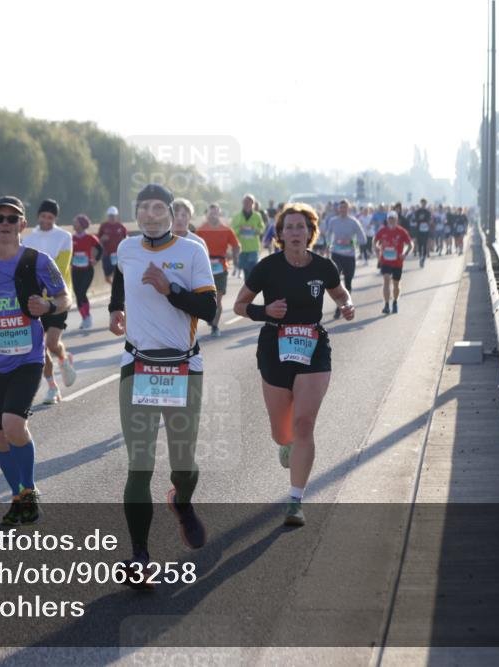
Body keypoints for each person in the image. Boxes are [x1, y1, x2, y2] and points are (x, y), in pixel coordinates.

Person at [109, 184, 216, 588]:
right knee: (140, 464)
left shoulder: (192, 251)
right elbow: (123, 278)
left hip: (183, 367)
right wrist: (115, 308)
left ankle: (181, 500)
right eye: (143, 208)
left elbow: (209, 310)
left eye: (158, 208)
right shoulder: (127, 248)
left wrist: (169, 289)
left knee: (183, 464)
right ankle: (139, 556)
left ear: (172, 213)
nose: (151, 214)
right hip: (137, 364)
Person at [232, 203, 354, 526]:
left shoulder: (323, 267)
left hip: (313, 347)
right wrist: (264, 311)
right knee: (281, 432)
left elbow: (341, 294)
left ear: (311, 232)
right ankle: (286, 446)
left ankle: (295, 501)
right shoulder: (267, 267)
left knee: (303, 425)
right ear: (280, 235)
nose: (295, 233)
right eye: (289, 228)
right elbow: (239, 305)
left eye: (301, 227)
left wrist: (348, 304)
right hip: (274, 347)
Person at [0, 195, 69, 525]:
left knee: (13, 424)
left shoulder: (39, 260)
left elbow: (64, 299)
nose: (5, 224)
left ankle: (30, 490)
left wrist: (48, 308)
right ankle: (16, 496)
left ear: (23, 224)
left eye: (12, 219)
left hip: (28, 359)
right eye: (0, 218)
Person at [22, 199, 77, 404]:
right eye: (43, 216)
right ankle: (52, 387)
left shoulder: (64, 237)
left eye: (50, 217)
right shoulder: (28, 238)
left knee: (53, 343)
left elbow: (61, 268)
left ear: (55, 218)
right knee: (40, 346)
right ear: (38, 216)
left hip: (59, 298)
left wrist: (48, 290)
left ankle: (63, 358)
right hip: (36, 300)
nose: (46, 220)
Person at [194, 202, 240, 337]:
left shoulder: (226, 230)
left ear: (219, 214)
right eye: (210, 213)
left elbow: (236, 245)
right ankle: (209, 316)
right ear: (207, 214)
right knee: (206, 298)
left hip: (221, 267)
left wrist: (235, 257)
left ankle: (214, 326)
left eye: (216, 213)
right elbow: (193, 248)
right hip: (205, 269)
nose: (213, 215)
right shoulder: (201, 230)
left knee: (218, 299)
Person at [323, 199, 367, 319]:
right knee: (336, 282)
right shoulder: (333, 221)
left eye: (345, 208)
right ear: (338, 209)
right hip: (336, 254)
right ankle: (338, 308)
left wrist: (351, 241)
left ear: (349, 209)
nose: (343, 210)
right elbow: (328, 235)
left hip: (349, 256)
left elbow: (363, 239)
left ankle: (345, 306)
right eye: (341, 207)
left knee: (348, 282)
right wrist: (328, 246)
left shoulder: (354, 222)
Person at [374, 211, 414, 314]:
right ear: (387, 220)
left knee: (396, 285)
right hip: (386, 261)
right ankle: (387, 305)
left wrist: (404, 255)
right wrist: (377, 252)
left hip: (397, 262)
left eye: (393, 219)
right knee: (386, 281)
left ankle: (395, 302)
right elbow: (374, 241)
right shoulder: (382, 231)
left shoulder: (402, 231)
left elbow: (410, 244)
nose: (391, 221)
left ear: (397, 220)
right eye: (389, 219)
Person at [70, 214, 103, 329]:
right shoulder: (71, 238)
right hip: (75, 270)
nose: (74, 224)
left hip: (87, 270)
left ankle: (87, 318)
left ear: (82, 225)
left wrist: (96, 260)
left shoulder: (90, 238)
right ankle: (85, 318)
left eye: (76, 222)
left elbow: (100, 249)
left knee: (82, 293)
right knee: (78, 294)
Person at [230, 194, 266, 282]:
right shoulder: (237, 216)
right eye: (245, 202)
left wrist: (256, 230)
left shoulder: (257, 216)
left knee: (252, 267)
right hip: (241, 247)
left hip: (253, 247)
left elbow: (262, 227)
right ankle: (248, 284)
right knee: (245, 268)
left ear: (253, 203)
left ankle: (251, 284)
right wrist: (240, 229)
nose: (247, 204)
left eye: (249, 202)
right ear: (242, 203)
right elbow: (232, 229)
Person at [98, 206, 127, 285]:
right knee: (107, 277)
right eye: (110, 216)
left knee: (118, 275)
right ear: (108, 216)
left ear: (116, 216)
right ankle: (114, 286)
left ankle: (117, 290)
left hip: (118, 255)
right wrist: (102, 239)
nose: (112, 218)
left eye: (113, 216)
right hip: (107, 255)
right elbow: (98, 241)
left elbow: (126, 240)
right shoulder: (103, 226)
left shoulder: (121, 227)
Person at [412, 198, 433, 267]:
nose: (423, 204)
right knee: (420, 244)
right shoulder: (418, 211)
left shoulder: (428, 212)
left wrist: (427, 221)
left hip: (426, 229)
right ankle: (420, 257)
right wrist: (418, 219)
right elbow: (415, 219)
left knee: (425, 244)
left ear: (426, 204)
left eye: (424, 203)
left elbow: (430, 220)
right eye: (422, 203)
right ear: (421, 203)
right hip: (419, 229)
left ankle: (423, 258)